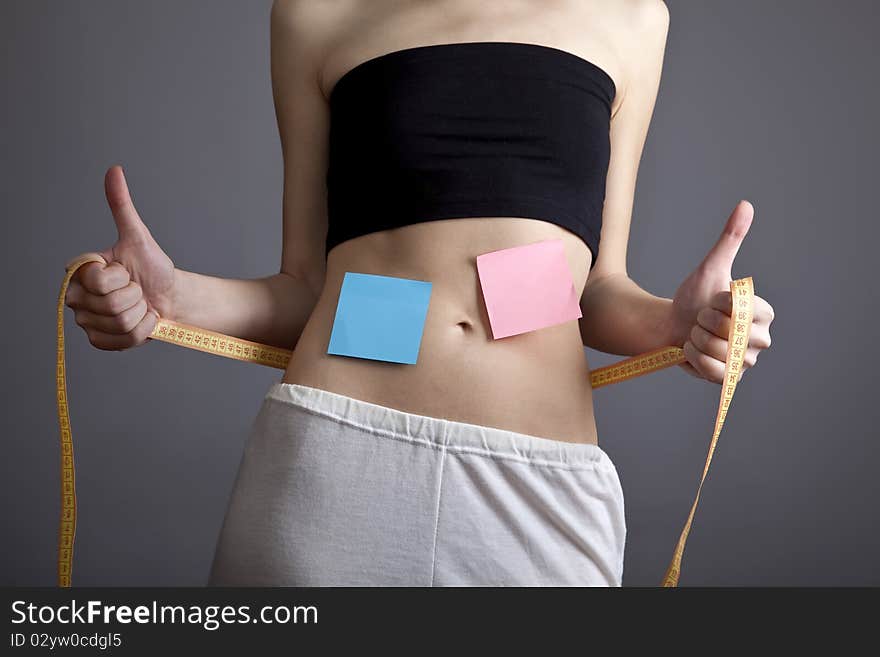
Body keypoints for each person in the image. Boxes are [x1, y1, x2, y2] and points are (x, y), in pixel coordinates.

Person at [63, 0, 775, 586]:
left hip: (539, 479)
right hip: (333, 463)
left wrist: (679, 323)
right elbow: (310, 289)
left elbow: (595, 289)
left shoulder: (630, 19)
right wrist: (171, 301)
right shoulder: (317, 13)